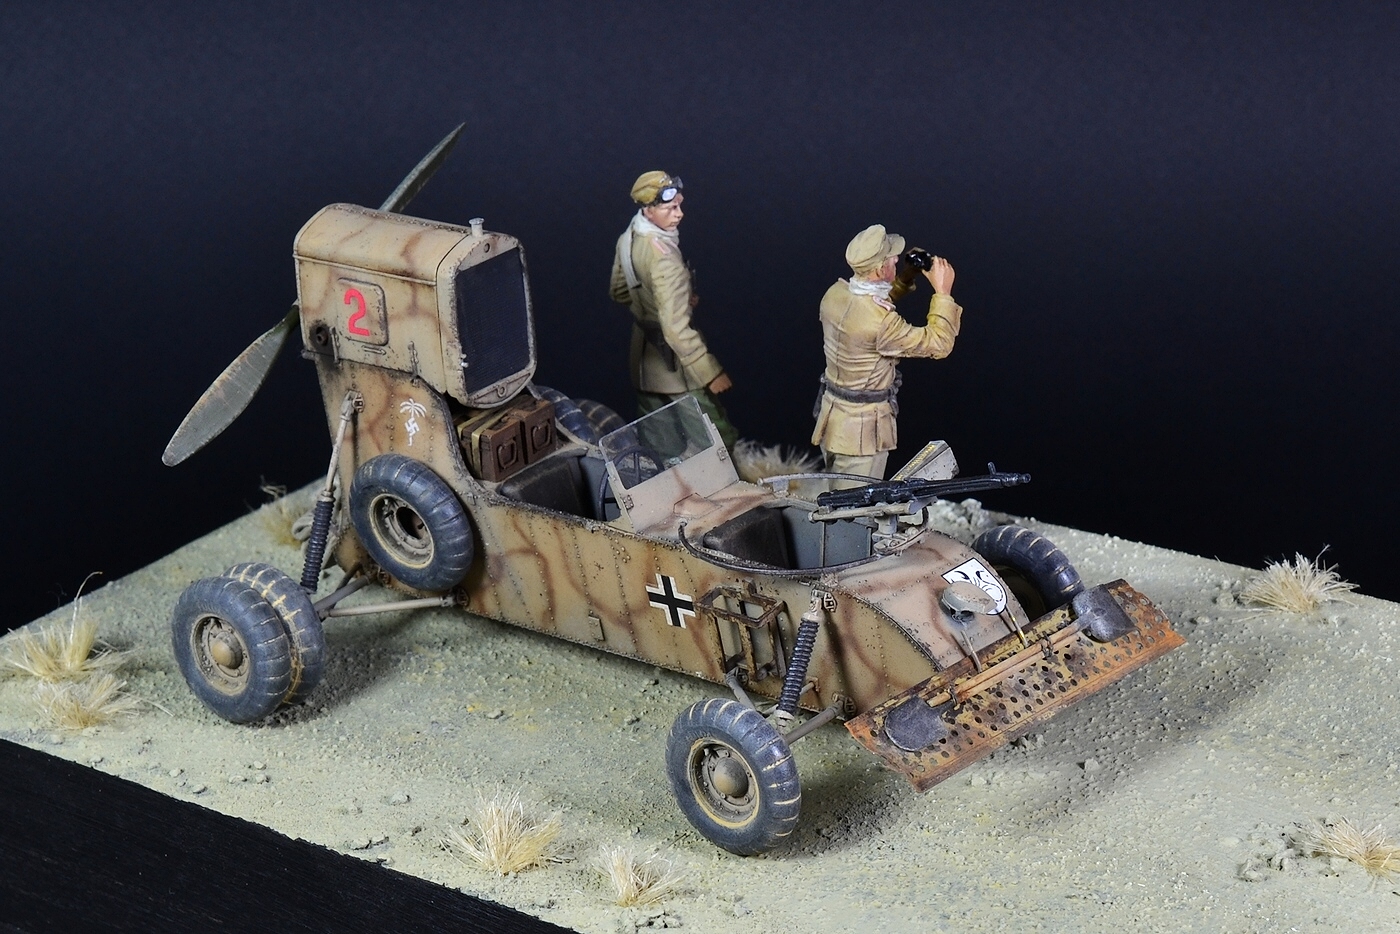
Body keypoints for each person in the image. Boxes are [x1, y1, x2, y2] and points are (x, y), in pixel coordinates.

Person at [811, 224, 963, 482]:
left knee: (836, 486)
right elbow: (939, 343)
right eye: (893, 260)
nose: (896, 261)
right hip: (862, 432)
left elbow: (870, 309)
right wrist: (943, 293)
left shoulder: (835, 295)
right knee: (856, 500)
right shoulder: (882, 324)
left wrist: (906, 277)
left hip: (834, 418)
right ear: (881, 270)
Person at [610, 171, 739, 451]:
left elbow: (619, 291)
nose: (679, 214)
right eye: (670, 208)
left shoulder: (628, 238)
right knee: (716, 438)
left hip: (644, 361)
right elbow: (675, 329)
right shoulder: (665, 260)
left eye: (679, 205)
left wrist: (655, 305)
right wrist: (710, 373)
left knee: (660, 442)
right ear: (649, 210)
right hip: (676, 366)